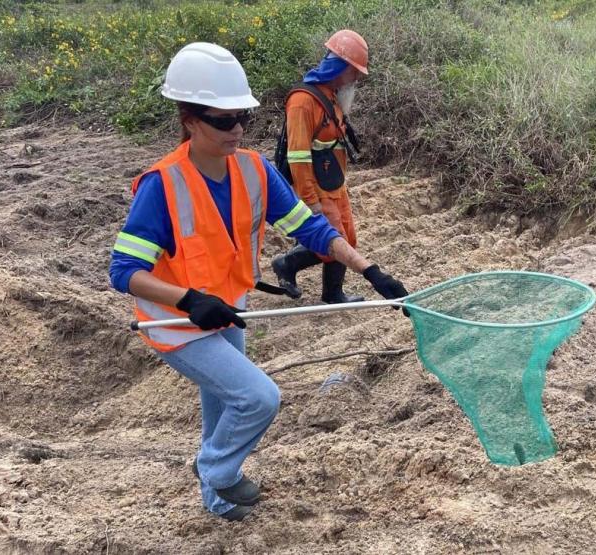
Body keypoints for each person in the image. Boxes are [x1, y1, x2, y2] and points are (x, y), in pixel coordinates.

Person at [108, 42, 408, 522]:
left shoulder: (254, 169)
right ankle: (214, 471)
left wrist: (369, 270)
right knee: (257, 397)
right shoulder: (161, 185)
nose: (237, 130)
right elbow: (124, 272)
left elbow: (310, 229)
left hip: (229, 309)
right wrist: (188, 299)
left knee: (223, 410)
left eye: (242, 117)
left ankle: (218, 503)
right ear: (189, 120)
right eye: (223, 120)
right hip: (178, 323)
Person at [271, 30, 370, 303]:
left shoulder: (331, 95)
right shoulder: (303, 101)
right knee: (331, 239)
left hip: (334, 184)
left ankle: (331, 291)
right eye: (355, 72)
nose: (358, 78)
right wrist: (311, 201)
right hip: (317, 187)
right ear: (341, 68)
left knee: (347, 238)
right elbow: (298, 156)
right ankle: (288, 264)